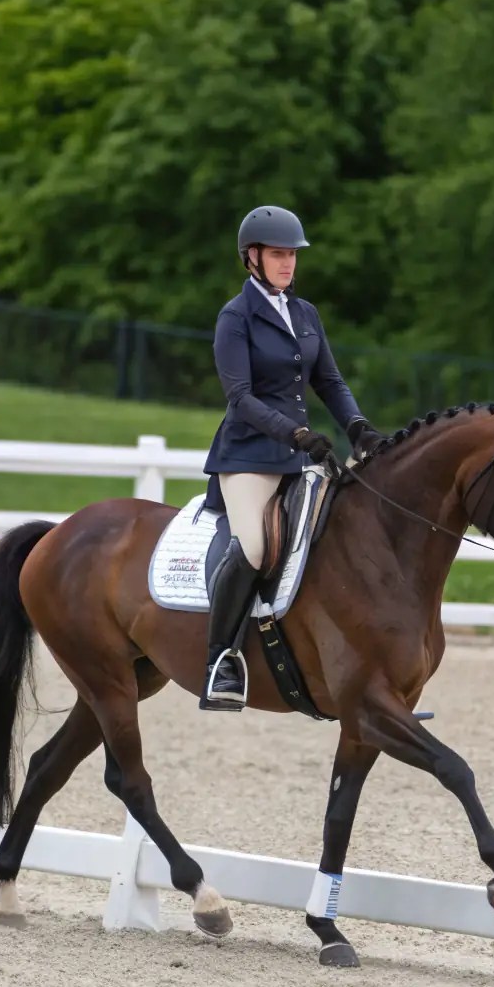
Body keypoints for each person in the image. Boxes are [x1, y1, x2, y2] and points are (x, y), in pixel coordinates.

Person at [200, 205, 381, 712]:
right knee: (255, 548)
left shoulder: (305, 314)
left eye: (292, 255)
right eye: (278, 255)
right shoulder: (235, 318)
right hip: (249, 457)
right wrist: (296, 434)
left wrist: (357, 427)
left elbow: (330, 381)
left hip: (302, 454)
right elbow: (240, 397)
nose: (288, 264)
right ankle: (222, 660)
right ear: (252, 258)